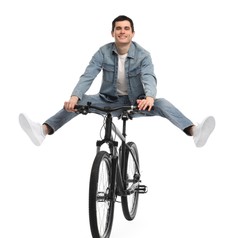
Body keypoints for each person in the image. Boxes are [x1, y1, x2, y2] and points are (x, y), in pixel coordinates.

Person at [19, 15, 215, 148]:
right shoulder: (103, 52)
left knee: (163, 103)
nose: (122, 32)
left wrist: (149, 97)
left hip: (136, 102)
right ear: (112, 32)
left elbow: (149, 76)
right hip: (107, 100)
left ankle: (194, 131)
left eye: (126, 29)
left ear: (133, 33)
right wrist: (74, 96)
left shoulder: (143, 55)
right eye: (118, 29)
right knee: (77, 102)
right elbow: (88, 75)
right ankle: (43, 130)